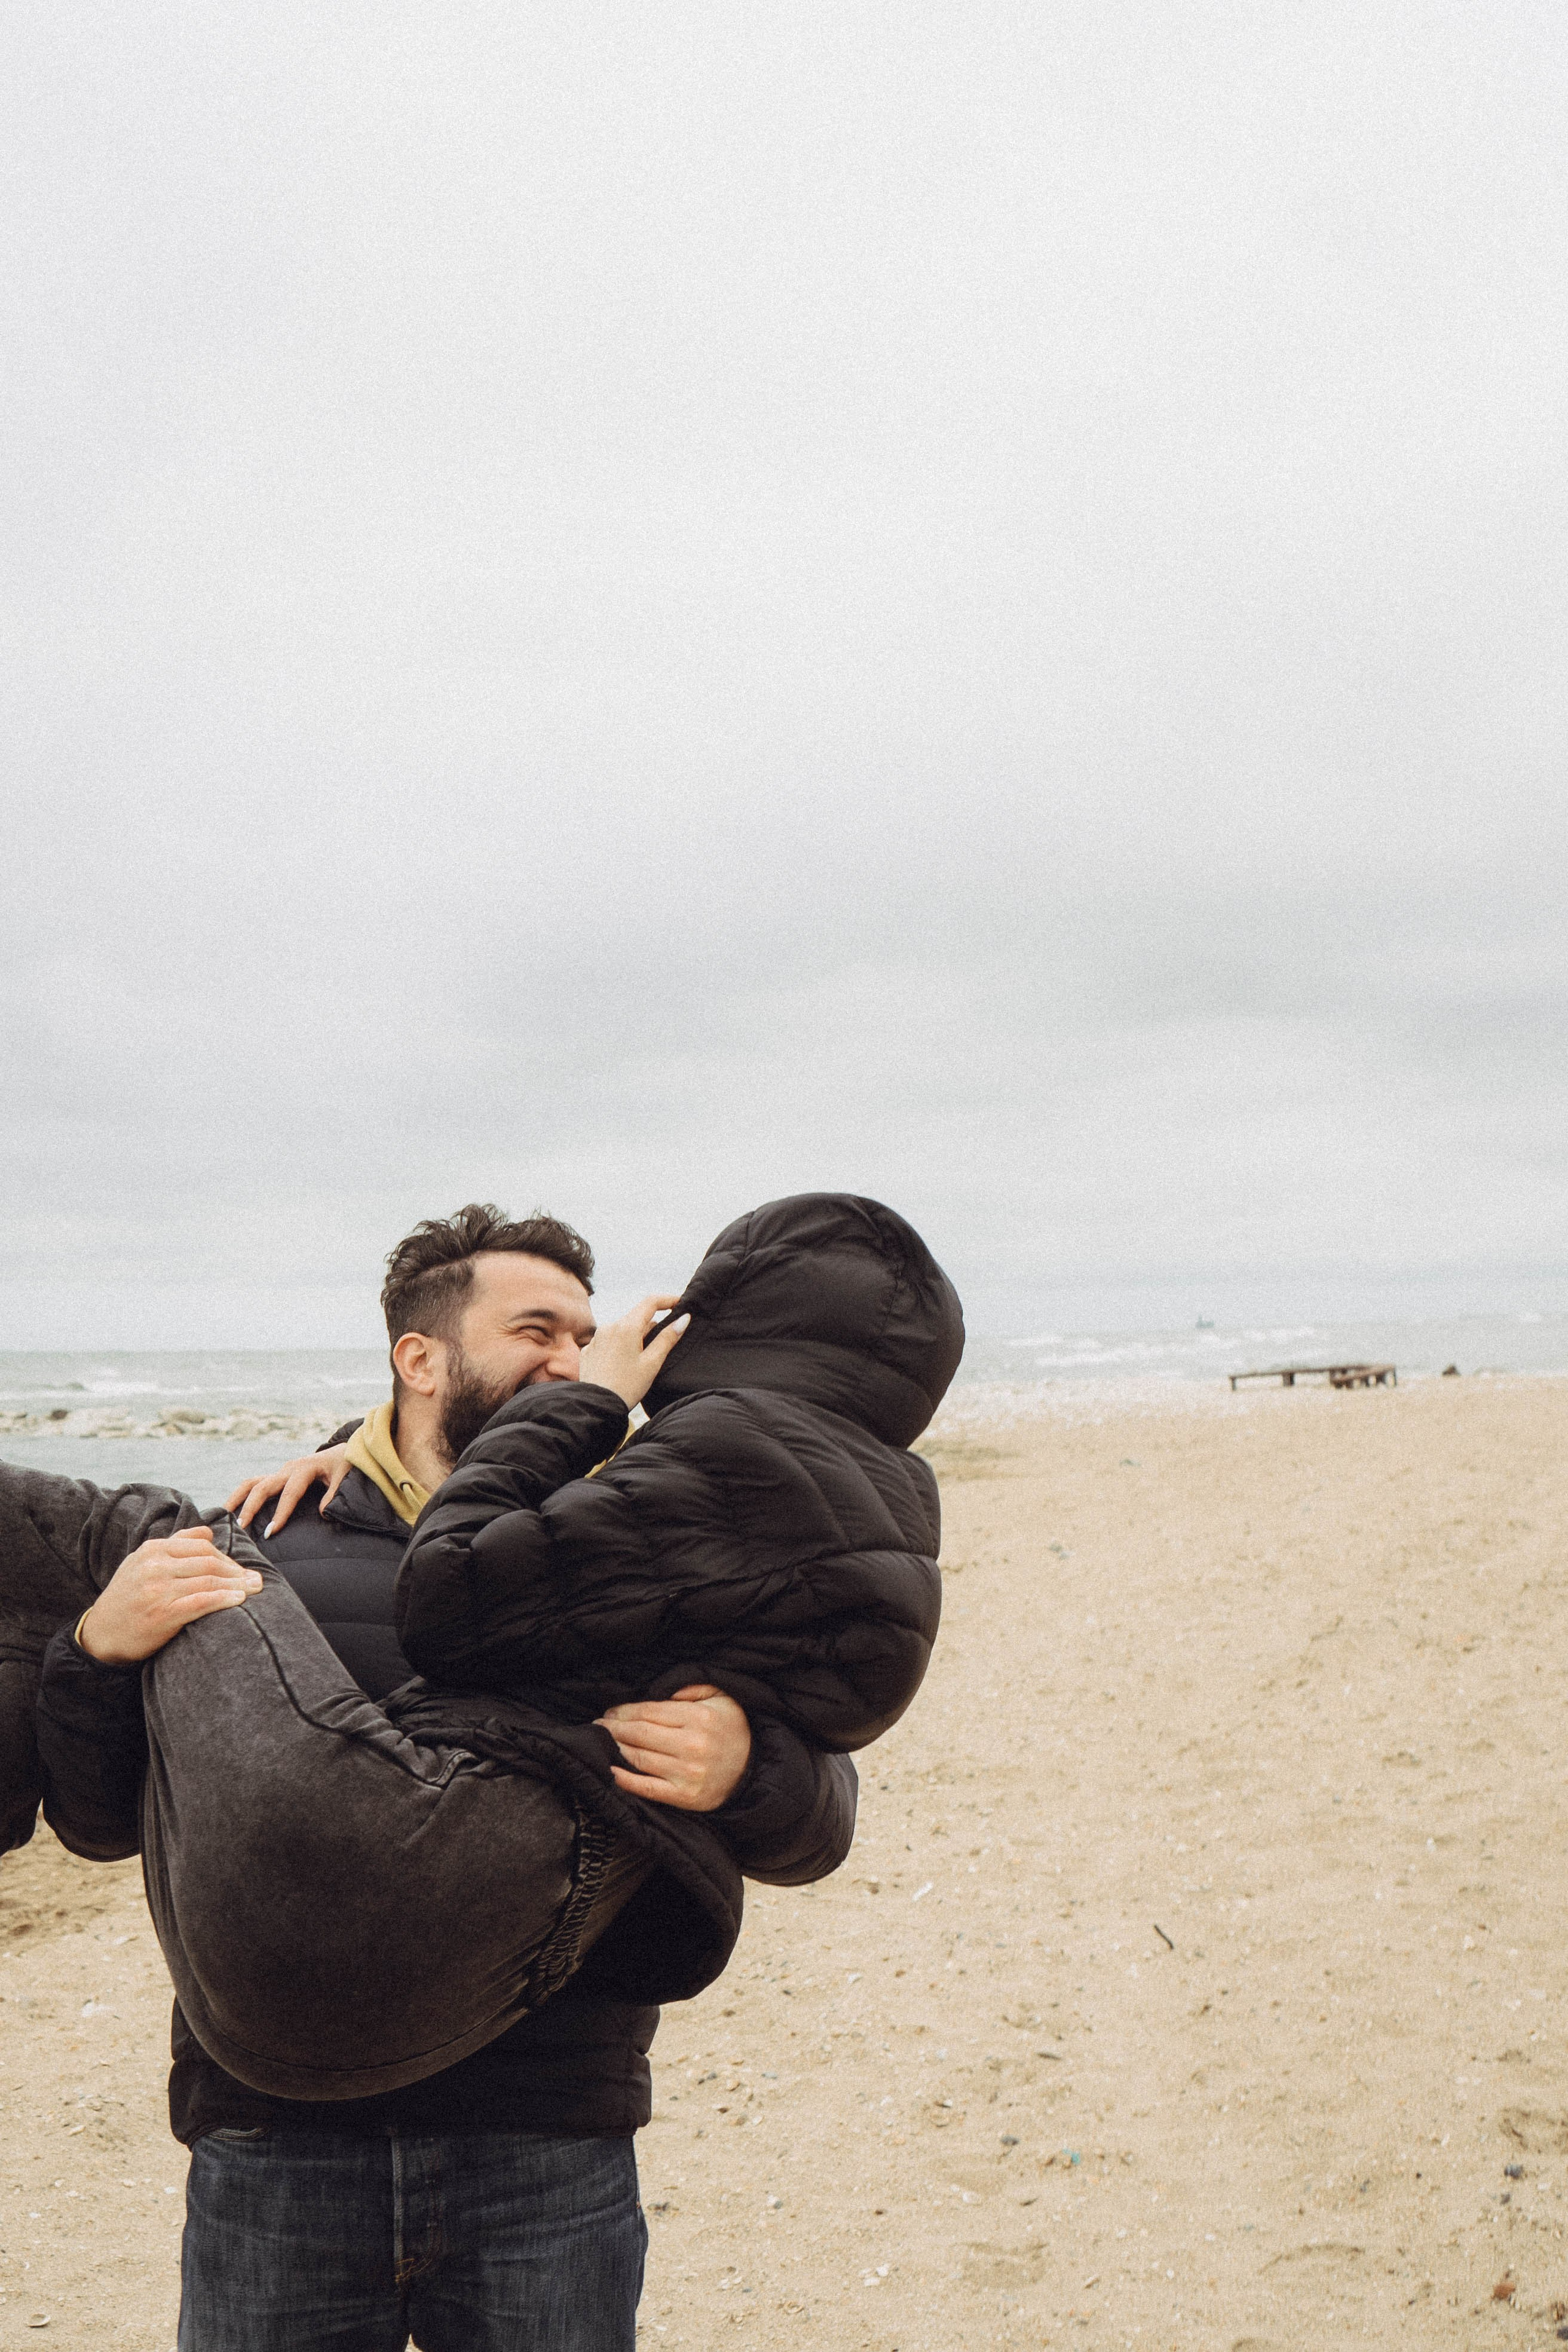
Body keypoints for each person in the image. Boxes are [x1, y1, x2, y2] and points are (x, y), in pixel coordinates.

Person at [21, 1203, 859, 2352]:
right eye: (537, 1332)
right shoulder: (264, 1548)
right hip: (278, 2144)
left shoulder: (644, 1561)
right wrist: (96, 1651)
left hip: (547, 2133)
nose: (577, 1363)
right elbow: (105, 1822)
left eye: (585, 1336)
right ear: (420, 1358)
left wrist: (750, 1768)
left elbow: (819, 1825)